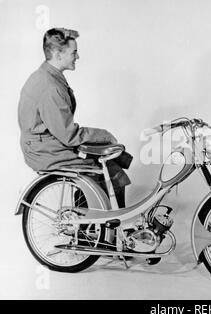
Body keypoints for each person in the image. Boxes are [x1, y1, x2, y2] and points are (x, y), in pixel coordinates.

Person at [18, 28, 131, 207]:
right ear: (57, 54)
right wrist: (104, 135)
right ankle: (98, 228)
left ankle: (101, 226)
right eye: (74, 52)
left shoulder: (47, 76)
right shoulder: (50, 87)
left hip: (44, 144)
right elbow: (68, 135)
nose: (77, 57)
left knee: (110, 157)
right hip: (44, 150)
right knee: (105, 167)